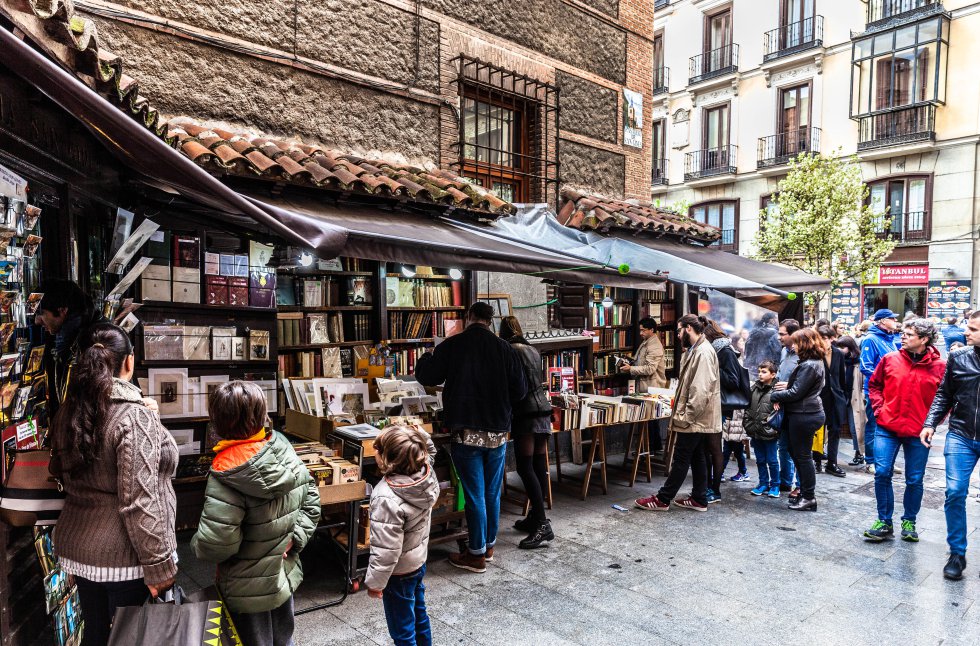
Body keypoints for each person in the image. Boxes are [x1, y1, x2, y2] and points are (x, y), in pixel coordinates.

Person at [49, 323, 177, 646]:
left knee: (94, 632)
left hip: (79, 551)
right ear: (129, 363)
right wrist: (160, 566)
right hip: (123, 558)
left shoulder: (69, 410)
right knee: (131, 638)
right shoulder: (133, 417)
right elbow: (139, 499)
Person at [192, 381, 320, 646]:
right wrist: (295, 537)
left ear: (218, 422)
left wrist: (195, 544)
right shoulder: (281, 447)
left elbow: (216, 545)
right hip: (282, 577)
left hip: (244, 590)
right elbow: (312, 498)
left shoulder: (226, 473)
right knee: (284, 639)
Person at [415, 302, 527, 572]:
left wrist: (427, 355)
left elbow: (426, 375)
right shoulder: (505, 349)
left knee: (474, 493)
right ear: (490, 321)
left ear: (469, 318)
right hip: (498, 431)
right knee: (492, 491)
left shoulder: (454, 345)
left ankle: (475, 554)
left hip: (466, 430)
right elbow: (521, 391)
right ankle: (488, 546)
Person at [863, 319, 945, 543]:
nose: (903, 336)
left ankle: (909, 521)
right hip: (887, 426)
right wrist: (880, 410)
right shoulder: (890, 359)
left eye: (909, 334)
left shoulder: (940, 367)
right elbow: (874, 385)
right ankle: (884, 521)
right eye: (903, 332)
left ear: (924, 339)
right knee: (881, 472)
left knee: (915, 479)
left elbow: (945, 399)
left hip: (919, 432)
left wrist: (931, 423)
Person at [634, 314, 721, 512]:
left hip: (694, 418)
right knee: (697, 455)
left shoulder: (703, 353)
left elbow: (700, 390)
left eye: (679, 330)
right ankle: (699, 498)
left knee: (682, 457)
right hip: (697, 418)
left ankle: (663, 498)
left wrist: (685, 416)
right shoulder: (697, 350)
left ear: (688, 328)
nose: (678, 334)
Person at [366, 425, 440, 646]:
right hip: (418, 561)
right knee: (419, 615)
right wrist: (421, 435)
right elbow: (431, 452)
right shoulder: (426, 475)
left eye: (377, 450)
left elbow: (386, 550)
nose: (374, 452)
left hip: (398, 574)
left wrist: (376, 583)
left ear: (387, 459)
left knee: (402, 630)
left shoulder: (385, 496)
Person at [922, 311, 980, 580]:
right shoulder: (959, 357)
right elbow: (944, 393)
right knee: (955, 492)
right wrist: (930, 423)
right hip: (960, 434)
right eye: (968, 327)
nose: (966, 333)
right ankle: (957, 552)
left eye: (973, 329)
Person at [499, 316, 555, 549]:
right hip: (543, 409)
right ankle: (535, 515)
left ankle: (542, 524)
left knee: (524, 466)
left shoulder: (509, 350)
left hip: (526, 413)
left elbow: (512, 383)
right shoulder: (532, 349)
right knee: (539, 465)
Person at [771, 328, 826, 512]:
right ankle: (805, 494)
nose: (792, 346)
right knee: (799, 456)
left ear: (804, 343)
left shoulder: (810, 364)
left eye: (795, 342)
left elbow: (796, 393)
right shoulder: (812, 362)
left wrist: (774, 395)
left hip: (805, 414)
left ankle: (808, 496)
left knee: (802, 457)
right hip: (804, 413)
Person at [36, 280, 108, 420]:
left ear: (62, 310)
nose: (37, 321)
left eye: (42, 313)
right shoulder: (69, 338)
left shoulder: (95, 339)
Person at [703, 320, 749, 498]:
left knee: (715, 447)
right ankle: (707, 485)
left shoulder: (725, 352)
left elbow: (732, 380)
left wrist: (712, 366)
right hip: (712, 403)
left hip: (720, 405)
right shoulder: (715, 350)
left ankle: (714, 489)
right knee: (708, 447)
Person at [860, 309, 901, 474]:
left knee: (890, 426)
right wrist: (885, 380)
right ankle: (871, 461)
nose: (895, 321)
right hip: (875, 392)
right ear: (882, 321)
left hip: (892, 391)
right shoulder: (870, 339)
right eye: (892, 318)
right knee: (874, 426)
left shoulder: (891, 338)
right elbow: (866, 367)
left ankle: (886, 461)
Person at [620, 316, 669, 454]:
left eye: (643, 330)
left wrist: (631, 369)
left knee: (650, 419)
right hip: (645, 386)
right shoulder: (646, 342)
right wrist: (629, 362)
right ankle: (654, 446)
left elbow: (650, 369)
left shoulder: (654, 346)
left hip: (651, 387)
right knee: (650, 419)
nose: (641, 333)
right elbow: (640, 361)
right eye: (640, 330)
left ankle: (650, 448)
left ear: (652, 330)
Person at [744, 360, 782, 497]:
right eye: (759, 371)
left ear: (773, 374)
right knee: (760, 459)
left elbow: (780, 410)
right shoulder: (754, 388)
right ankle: (763, 483)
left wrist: (774, 428)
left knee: (772, 460)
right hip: (755, 430)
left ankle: (775, 485)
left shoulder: (778, 390)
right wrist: (747, 423)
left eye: (764, 372)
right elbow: (748, 406)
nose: (760, 374)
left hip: (770, 432)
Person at [816, 325, 847, 477]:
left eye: (825, 338)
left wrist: (843, 396)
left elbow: (841, 376)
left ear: (832, 339)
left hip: (836, 397)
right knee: (817, 430)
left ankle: (832, 463)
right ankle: (816, 460)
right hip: (819, 397)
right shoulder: (814, 354)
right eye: (820, 338)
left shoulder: (839, 354)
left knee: (835, 430)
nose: (822, 341)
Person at [776, 318, 801, 494]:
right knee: (783, 446)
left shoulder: (803, 354)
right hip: (782, 403)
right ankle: (785, 481)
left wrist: (789, 385)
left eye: (782, 334)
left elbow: (806, 381)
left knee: (798, 448)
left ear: (793, 335)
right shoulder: (784, 352)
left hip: (798, 406)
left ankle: (800, 485)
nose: (779, 337)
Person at [836, 335, 867, 466]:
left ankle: (859, 453)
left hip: (854, 399)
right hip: (840, 398)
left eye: (842, 347)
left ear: (850, 348)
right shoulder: (838, 361)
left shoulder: (858, 363)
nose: (839, 350)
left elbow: (863, 382)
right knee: (835, 427)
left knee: (856, 428)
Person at [743, 311, 782, 381]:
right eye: (776, 318)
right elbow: (777, 352)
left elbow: (746, 350)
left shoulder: (753, 332)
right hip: (767, 370)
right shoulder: (774, 334)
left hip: (752, 370)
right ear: (772, 320)